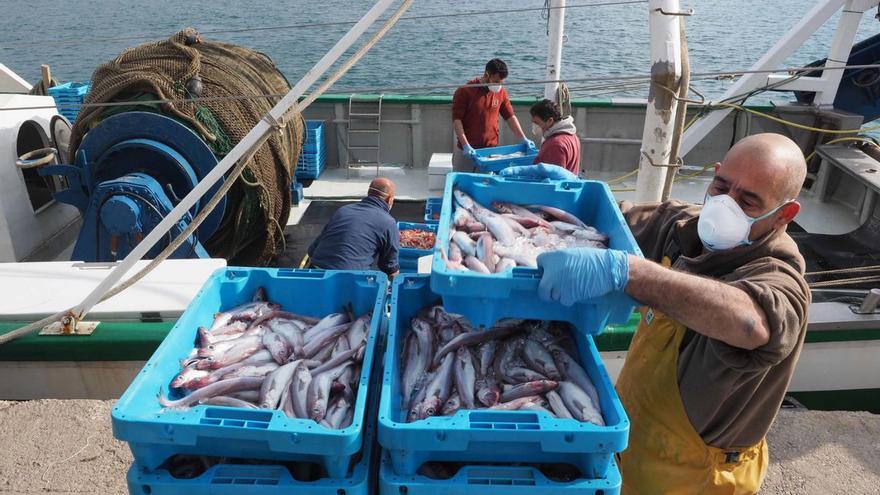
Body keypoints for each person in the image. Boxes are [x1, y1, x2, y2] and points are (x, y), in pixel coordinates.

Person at [509, 133, 810, 494]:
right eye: (721, 186)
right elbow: (617, 224)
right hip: (627, 431)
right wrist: (572, 197)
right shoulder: (684, 226)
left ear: (785, 213)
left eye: (748, 201)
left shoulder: (781, 277)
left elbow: (750, 323)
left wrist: (629, 272)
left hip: (695, 473)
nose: (726, 204)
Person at [307, 178, 400, 279]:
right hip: (349, 280)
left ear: (369, 193)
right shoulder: (388, 222)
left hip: (315, 273)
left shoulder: (343, 210)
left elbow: (312, 250)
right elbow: (390, 268)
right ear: (389, 199)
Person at [452, 58, 533, 171]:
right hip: (467, 150)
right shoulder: (464, 91)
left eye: (501, 82)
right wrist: (466, 145)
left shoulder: (501, 92)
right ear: (486, 74)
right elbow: (457, 120)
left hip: (491, 151)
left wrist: (523, 138)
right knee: (461, 184)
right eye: (496, 81)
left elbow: (510, 117)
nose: (499, 85)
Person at [529, 99, 581, 175]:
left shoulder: (555, 145)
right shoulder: (573, 136)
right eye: (533, 122)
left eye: (537, 123)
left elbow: (554, 178)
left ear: (550, 121)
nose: (534, 126)